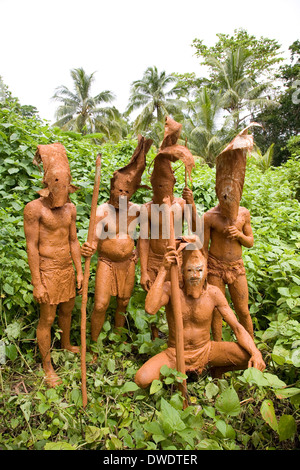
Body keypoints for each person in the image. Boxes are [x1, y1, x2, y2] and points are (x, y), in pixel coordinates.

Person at [135, 239, 265, 389]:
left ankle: (215, 368)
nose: (195, 275)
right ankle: (174, 377)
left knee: (249, 357)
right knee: (141, 379)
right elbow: (150, 309)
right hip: (175, 353)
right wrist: (164, 270)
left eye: (199, 270)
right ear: (182, 272)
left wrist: (255, 352)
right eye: (190, 270)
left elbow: (237, 327)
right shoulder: (171, 289)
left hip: (206, 351)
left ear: (206, 272)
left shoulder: (213, 293)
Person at [81, 136, 152, 341]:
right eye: (119, 190)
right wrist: (87, 248)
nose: (122, 194)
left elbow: (148, 231)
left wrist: (138, 250)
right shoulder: (102, 211)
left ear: (132, 193)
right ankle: (94, 342)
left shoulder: (136, 211)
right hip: (107, 262)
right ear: (111, 189)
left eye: (127, 191)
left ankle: (118, 338)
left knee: (123, 301)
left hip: (128, 263)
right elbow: (92, 242)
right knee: (101, 304)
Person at [24, 143, 83, 387]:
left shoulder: (70, 208)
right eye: (56, 182)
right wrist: (37, 283)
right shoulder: (34, 209)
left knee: (67, 310)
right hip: (47, 270)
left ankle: (66, 343)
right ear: (48, 182)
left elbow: (73, 240)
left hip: (66, 268)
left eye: (64, 183)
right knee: (47, 319)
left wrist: (79, 271)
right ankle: (47, 365)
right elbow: (32, 247)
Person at [139, 117, 198, 339]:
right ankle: (155, 334)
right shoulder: (147, 209)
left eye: (167, 185)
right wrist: (144, 270)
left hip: (176, 258)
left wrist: (190, 203)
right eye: (159, 186)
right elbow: (143, 240)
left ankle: (178, 334)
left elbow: (194, 227)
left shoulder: (180, 205)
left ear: (173, 184)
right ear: (153, 186)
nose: (163, 190)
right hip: (155, 259)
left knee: (177, 298)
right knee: (154, 298)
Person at [203, 127, 256, 341]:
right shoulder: (210, 217)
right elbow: (203, 247)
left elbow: (250, 242)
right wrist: (205, 271)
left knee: (242, 309)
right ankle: (217, 346)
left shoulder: (243, 214)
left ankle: (251, 346)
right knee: (216, 310)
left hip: (236, 266)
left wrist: (240, 237)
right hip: (215, 267)